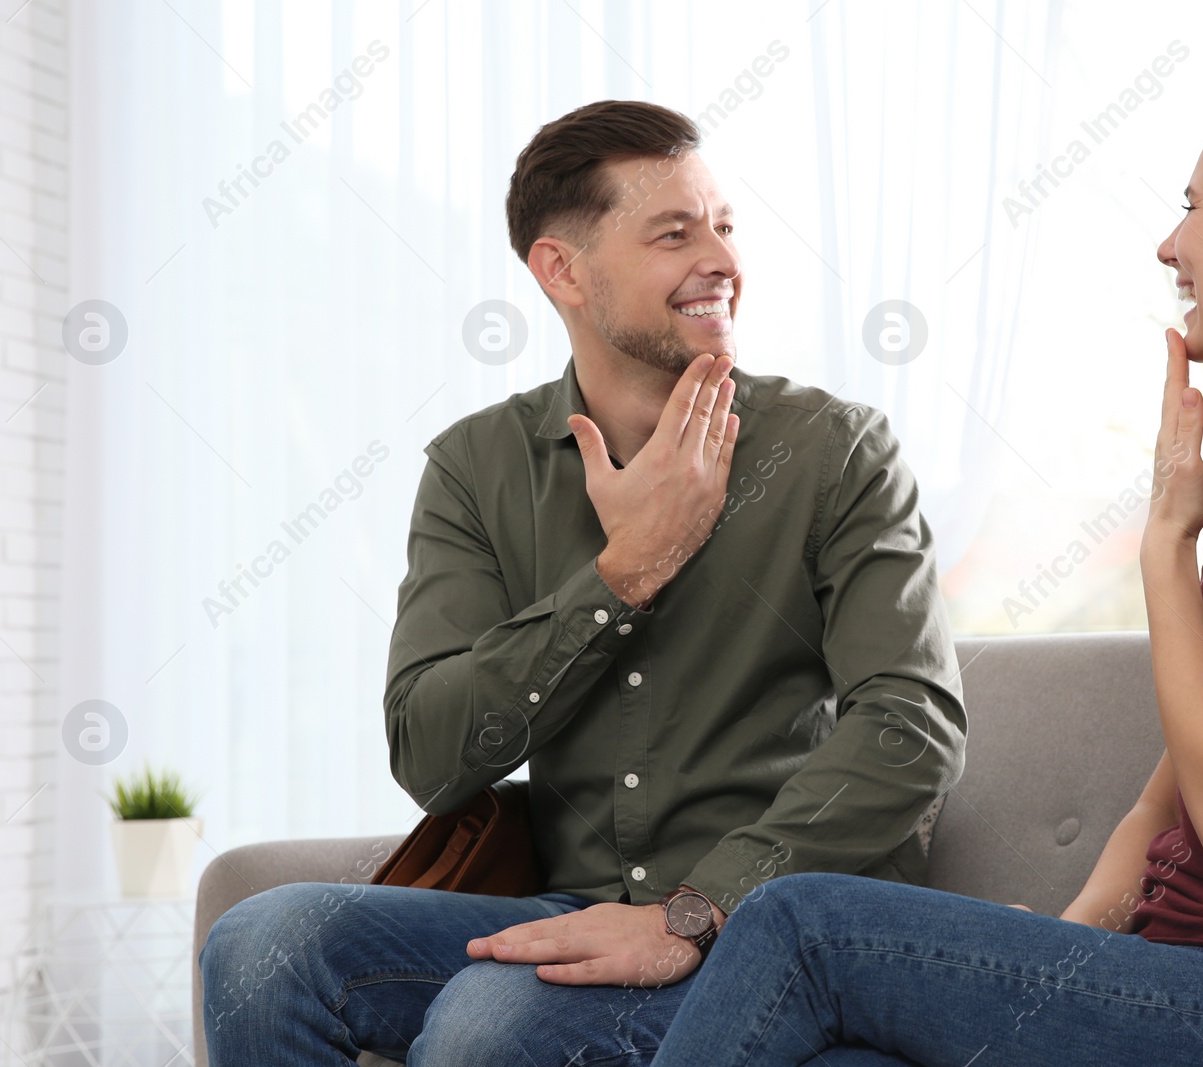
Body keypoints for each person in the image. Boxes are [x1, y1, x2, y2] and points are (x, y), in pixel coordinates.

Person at [650, 73, 1203, 1067]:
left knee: (801, 924)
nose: (1166, 245)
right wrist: (1065, 938)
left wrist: (1163, 548)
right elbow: (1162, 805)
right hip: (1179, 968)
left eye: (1192, 207)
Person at [198, 100, 966, 1066]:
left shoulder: (834, 450)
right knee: (260, 944)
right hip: (580, 911)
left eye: (724, 225)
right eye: (674, 233)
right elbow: (432, 755)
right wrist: (621, 575)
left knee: (487, 1028)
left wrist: (694, 910)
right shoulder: (478, 467)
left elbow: (910, 724)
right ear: (562, 269)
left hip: (772, 920)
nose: (721, 258)